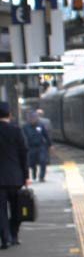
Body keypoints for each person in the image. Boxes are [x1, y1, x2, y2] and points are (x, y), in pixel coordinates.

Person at [0, 101, 28, 248]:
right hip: (15, 178)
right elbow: (24, 153)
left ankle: (5, 239)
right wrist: (26, 175)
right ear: (9, 114)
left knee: (1, 212)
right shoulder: (16, 131)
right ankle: (14, 235)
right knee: (18, 209)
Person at [22, 110, 51, 182]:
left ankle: (41, 177)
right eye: (31, 118)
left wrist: (50, 144)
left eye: (34, 118)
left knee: (43, 161)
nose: (32, 119)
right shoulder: (25, 127)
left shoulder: (40, 125)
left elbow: (46, 135)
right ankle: (34, 171)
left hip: (41, 146)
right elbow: (23, 137)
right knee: (31, 163)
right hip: (31, 147)